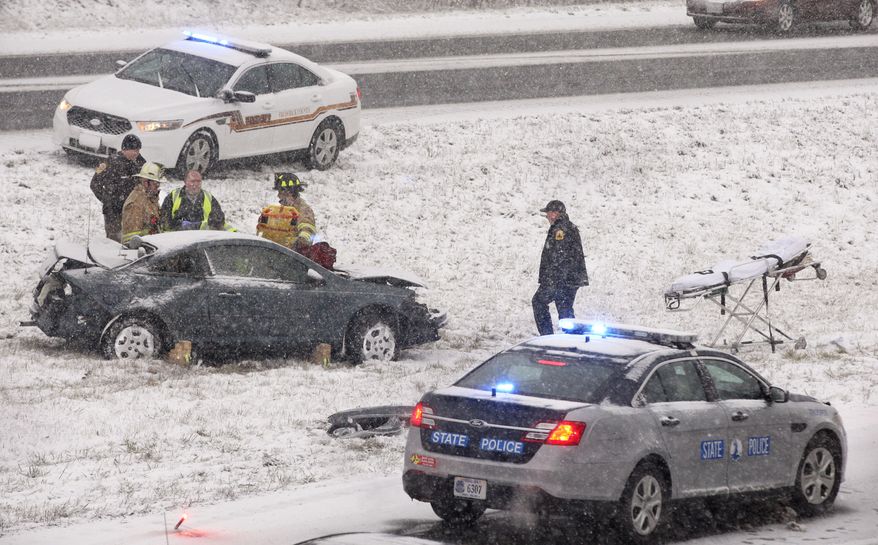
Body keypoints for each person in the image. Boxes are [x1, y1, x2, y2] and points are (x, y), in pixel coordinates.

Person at [532, 200, 589, 336]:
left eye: (549, 213)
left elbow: (559, 255)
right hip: (570, 279)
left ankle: (547, 337)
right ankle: (574, 339)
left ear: (556, 213)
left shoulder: (560, 230)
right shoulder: (567, 227)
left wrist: (553, 280)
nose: (547, 216)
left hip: (560, 279)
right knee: (565, 310)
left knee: (539, 302)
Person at [90, 134, 146, 242]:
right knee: (114, 240)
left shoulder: (140, 163)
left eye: (138, 150)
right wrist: (107, 199)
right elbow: (94, 184)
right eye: (133, 150)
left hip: (132, 210)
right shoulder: (110, 162)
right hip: (112, 211)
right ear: (124, 149)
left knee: (131, 239)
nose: (136, 153)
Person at [256, 172, 316, 252]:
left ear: (289, 193)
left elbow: (308, 229)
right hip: (277, 251)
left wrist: (301, 241)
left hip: (292, 255)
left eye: (280, 192)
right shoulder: (285, 209)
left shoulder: (303, 210)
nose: (278, 196)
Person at [160, 170, 232, 231]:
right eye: (192, 181)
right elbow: (164, 221)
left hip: (202, 238)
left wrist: (200, 225)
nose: (196, 185)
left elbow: (219, 220)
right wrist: (180, 225)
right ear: (185, 182)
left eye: (198, 181)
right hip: (179, 238)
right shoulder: (173, 196)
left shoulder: (209, 198)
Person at [121, 163, 163, 243]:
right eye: (155, 183)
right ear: (145, 182)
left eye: (158, 183)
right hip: (141, 251)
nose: (157, 186)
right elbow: (131, 239)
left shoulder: (150, 198)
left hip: (151, 246)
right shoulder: (135, 204)